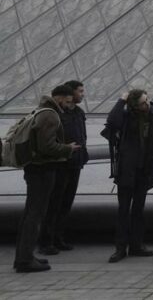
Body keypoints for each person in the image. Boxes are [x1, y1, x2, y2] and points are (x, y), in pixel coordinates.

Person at [14, 86, 78, 273]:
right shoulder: (50, 115)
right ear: (59, 98)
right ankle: (25, 260)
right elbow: (46, 146)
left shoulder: (40, 111)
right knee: (35, 215)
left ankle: (23, 257)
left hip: (34, 168)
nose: (69, 105)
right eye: (67, 101)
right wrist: (67, 148)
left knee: (30, 214)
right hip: (43, 170)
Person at [102, 88, 153, 262]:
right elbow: (112, 122)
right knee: (123, 210)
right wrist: (121, 101)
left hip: (144, 168)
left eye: (147, 100)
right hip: (127, 169)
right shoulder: (126, 116)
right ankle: (120, 248)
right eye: (143, 102)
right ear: (133, 105)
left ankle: (136, 245)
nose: (147, 104)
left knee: (138, 209)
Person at [38, 80, 88, 255]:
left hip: (75, 163)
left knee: (66, 202)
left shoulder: (78, 112)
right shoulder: (57, 114)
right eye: (80, 91)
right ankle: (46, 241)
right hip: (60, 163)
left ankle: (58, 238)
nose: (82, 94)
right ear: (69, 94)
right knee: (54, 203)